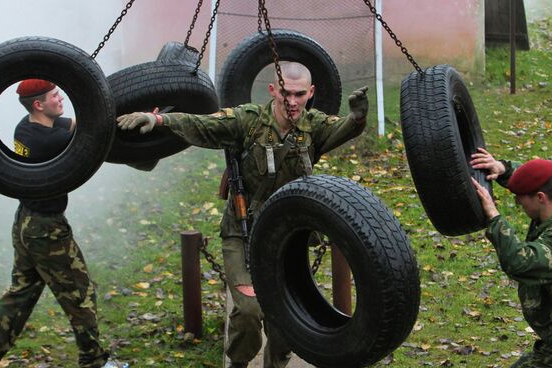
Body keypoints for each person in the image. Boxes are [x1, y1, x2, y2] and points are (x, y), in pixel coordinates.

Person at [116, 61, 369, 368]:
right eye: (285, 94)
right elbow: (202, 125)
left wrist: (358, 118)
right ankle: (238, 362)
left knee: (287, 320)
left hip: (288, 238)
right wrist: (156, 119)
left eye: (299, 94)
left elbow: (342, 129)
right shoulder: (248, 121)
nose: (291, 102)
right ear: (273, 89)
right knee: (249, 311)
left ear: (311, 92)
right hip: (243, 230)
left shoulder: (312, 126)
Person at [0, 79, 127, 368]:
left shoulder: (26, 127)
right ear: (39, 104)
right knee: (80, 294)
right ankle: (95, 361)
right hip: (47, 229)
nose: (61, 96)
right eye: (55, 95)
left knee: (22, 291)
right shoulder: (47, 141)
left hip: (26, 221)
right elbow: (94, 134)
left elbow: (78, 122)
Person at [470, 147, 552, 367]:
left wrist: (494, 218)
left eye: (521, 200)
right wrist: (504, 169)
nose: (519, 204)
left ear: (540, 198)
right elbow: (540, 176)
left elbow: (520, 262)